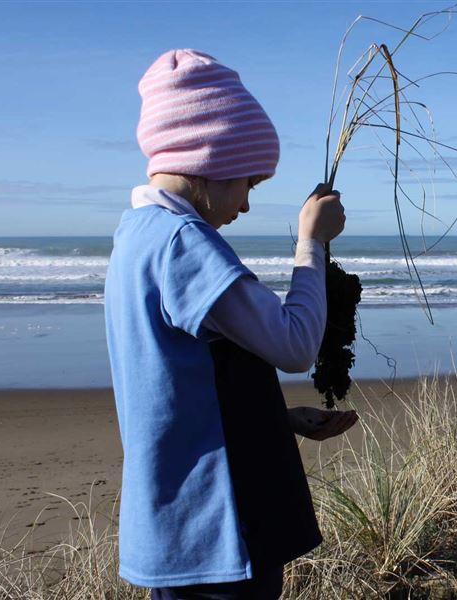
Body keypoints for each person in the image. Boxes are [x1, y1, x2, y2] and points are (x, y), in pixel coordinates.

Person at [105, 49, 359, 600]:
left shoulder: (136, 235)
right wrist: (311, 242)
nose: (245, 203)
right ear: (212, 161)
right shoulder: (184, 244)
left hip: (173, 521)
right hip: (220, 527)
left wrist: (275, 416)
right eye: (250, 180)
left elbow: (172, 385)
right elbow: (294, 345)